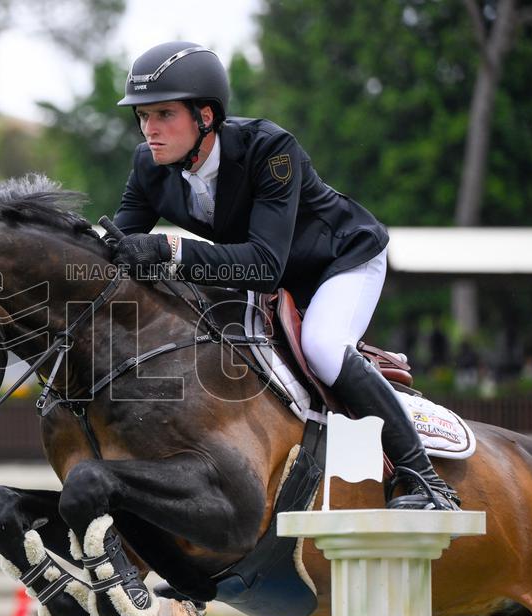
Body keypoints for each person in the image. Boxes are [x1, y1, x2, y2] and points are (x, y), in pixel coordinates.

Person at [110, 41, 459, 510]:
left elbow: (263, 265)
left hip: (340, 260)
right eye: (142, 116)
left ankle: (427, 482)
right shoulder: (148, 166)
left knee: (323, 347)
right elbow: (115, 248)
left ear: (206, 117)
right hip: (269, 276)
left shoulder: (270, 150)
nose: (149, 129)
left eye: (164, 114)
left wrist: (171, 249)